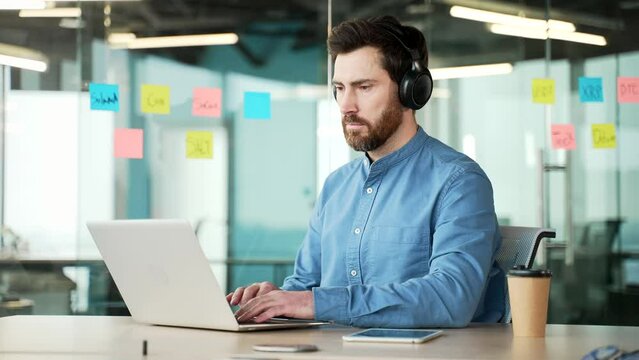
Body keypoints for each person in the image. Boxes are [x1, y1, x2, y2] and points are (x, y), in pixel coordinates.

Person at [227, 15, 505, 328]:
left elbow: (450, 297)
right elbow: (305, 285)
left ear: (410, 90)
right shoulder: (337, 186)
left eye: (364, 87)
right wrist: (275, 300)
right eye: (340, 88)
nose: (346, 105)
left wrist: (314, 302)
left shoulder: (458, 182)